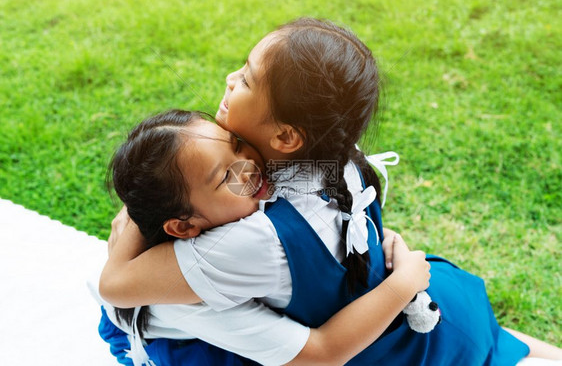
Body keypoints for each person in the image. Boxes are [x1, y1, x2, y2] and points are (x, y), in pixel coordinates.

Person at [99, 18, 562, 365]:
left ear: (285, 137)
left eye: (245, 78)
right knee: (500, 345)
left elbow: (115, 288)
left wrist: (135, 210)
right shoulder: (335, 152)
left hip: (396, 342)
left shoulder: (251, 241)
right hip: (441, 302)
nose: (228, 79)